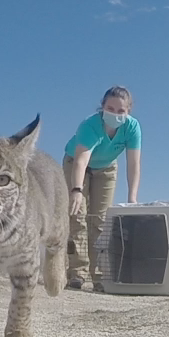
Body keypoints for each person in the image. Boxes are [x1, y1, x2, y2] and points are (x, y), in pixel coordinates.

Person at [62, 85, 142, 292]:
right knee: (78, 217)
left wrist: (132, 197)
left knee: (100, 221)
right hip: (76, 164)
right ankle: (77, 274)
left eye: (120, 111)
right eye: (110, 108)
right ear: (102, 107)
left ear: (128, 112)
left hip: (106, 168)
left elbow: (133, 164)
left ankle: (99, 276)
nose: (115, 114)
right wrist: (77, 190)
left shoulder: (132, 128)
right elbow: (81, 160)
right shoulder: (90, 125)